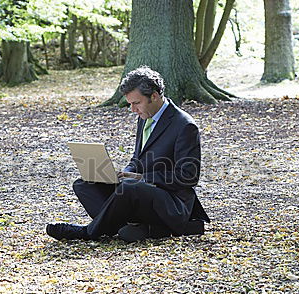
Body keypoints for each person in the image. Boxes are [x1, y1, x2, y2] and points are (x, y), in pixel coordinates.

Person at [47, 66, 210, 242]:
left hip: (171, 203)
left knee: (129, 188)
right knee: (84, 184)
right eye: (130, 103)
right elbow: (137, 160)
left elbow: (188, 177)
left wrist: (141, 178)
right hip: (140, 194)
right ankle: (135, 228)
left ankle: (89, 232)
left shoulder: (184, 125)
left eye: (136, 103)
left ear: (154, 96)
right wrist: (123, 173)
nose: (132, 109)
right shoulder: (145, 117)